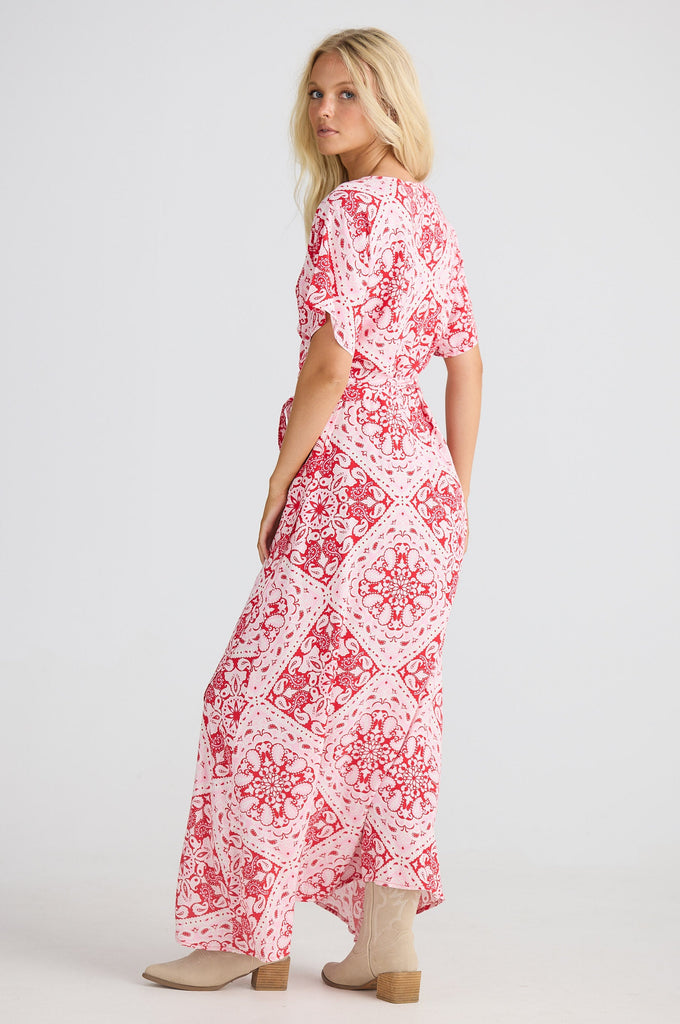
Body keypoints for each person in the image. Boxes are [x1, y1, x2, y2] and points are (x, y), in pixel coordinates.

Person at [142, 26, 483, 1004]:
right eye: (315, 95)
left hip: (347, 489)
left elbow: (329, 367)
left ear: (390, 104)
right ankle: (387, 948)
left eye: (345, 94)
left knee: (251, 702)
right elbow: (464, 364)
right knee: (388, 715)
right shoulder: (426, 215)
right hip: (420, 497)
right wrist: (456, 497)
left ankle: (245, 936)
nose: (323, 112)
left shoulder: (350, 212)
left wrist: (278, 478)